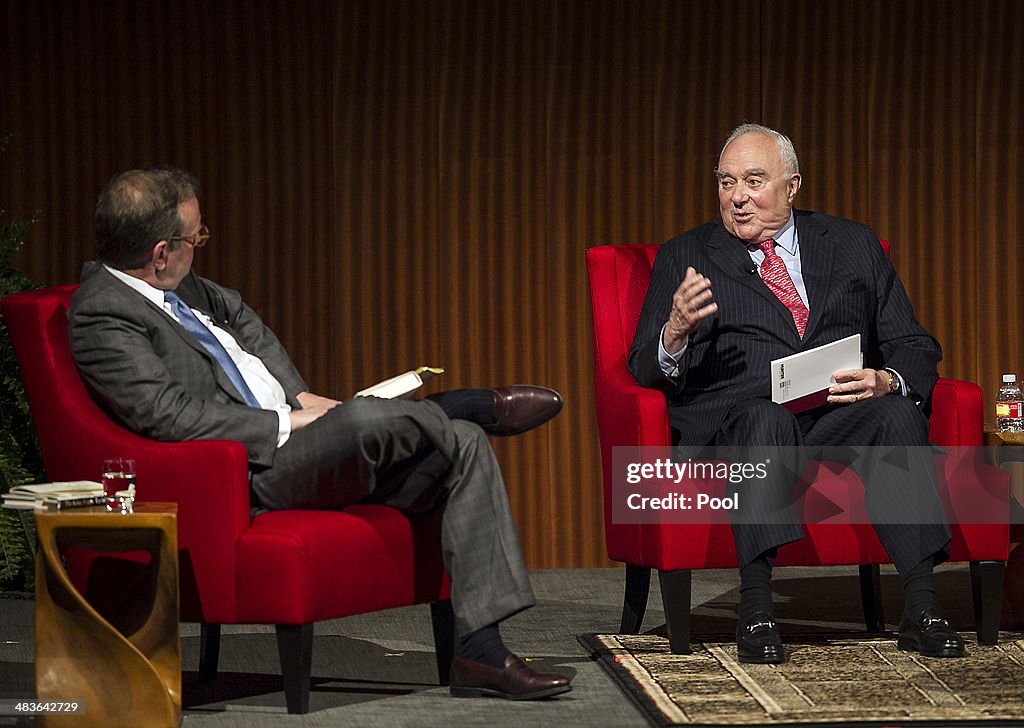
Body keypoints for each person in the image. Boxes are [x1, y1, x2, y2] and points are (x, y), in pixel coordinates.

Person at [68, 166, 572, 700]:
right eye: (197, 238)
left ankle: (480, 652)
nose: (202, 246)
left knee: (464, 445)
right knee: (370, 418)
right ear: (161, 251)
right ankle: (458, 405)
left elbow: (240, 318)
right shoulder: (105, 311)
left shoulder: (180, 283)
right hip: (249, 471)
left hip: (302, 444)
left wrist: (301, 397)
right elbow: (167, 416)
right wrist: (290, 420)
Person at [628, 123, 963, 664]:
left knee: (896, 413)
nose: (737, 196)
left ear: (792, 186)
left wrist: (886, 379)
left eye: (754, 181)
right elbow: (641, 369)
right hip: (741, 423)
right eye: (726, 181)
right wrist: (673, 333)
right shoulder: (687, 254)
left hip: (833, 415)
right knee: (764, 421)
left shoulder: (853, 243)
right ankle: (757, 612)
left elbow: (912, 341)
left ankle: (921, 607)